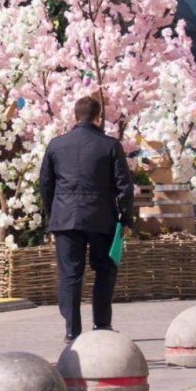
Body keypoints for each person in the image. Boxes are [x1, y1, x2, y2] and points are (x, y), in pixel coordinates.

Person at [39, 96, 134, 343]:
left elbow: (46, 184)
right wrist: (125, 218)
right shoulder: (110, 145)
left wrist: (53, 215)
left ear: (74, 116)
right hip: (101, 217)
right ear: (98, 117)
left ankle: (72, 331)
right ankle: (101, 323)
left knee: (70, 274)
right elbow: (125, 186)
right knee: (104, 269)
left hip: (65, 218)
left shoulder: (56, 145)